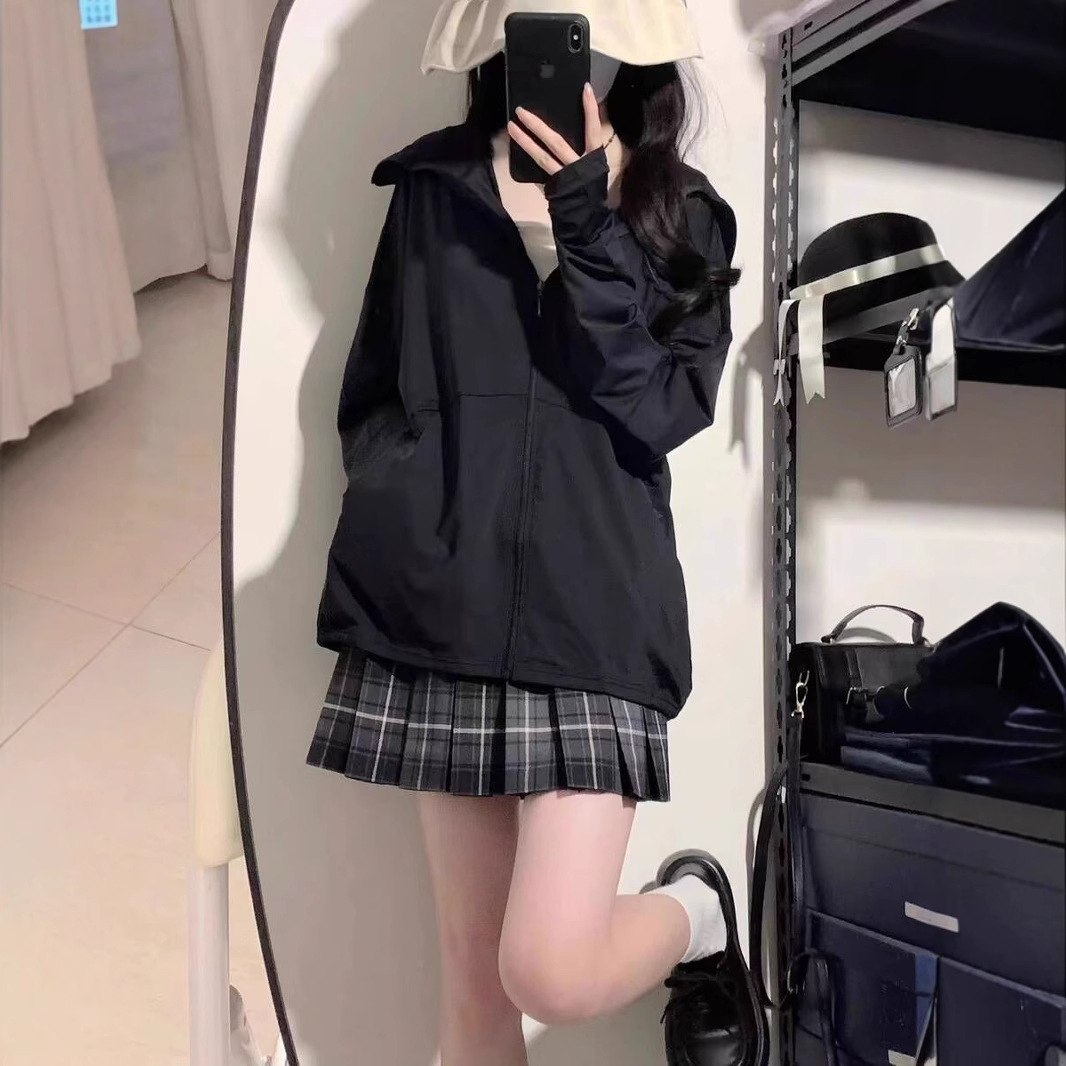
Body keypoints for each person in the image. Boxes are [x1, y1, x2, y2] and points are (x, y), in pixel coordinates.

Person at [307, 4, 766, 1064]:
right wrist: (407, 505)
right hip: (440, 606)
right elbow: (375, 387)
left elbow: (663, 408)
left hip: (594, 615)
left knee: (548, 968)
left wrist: (587, 218)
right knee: (474, 994)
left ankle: (697, 911)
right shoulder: (434, 186)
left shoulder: (683, 213)